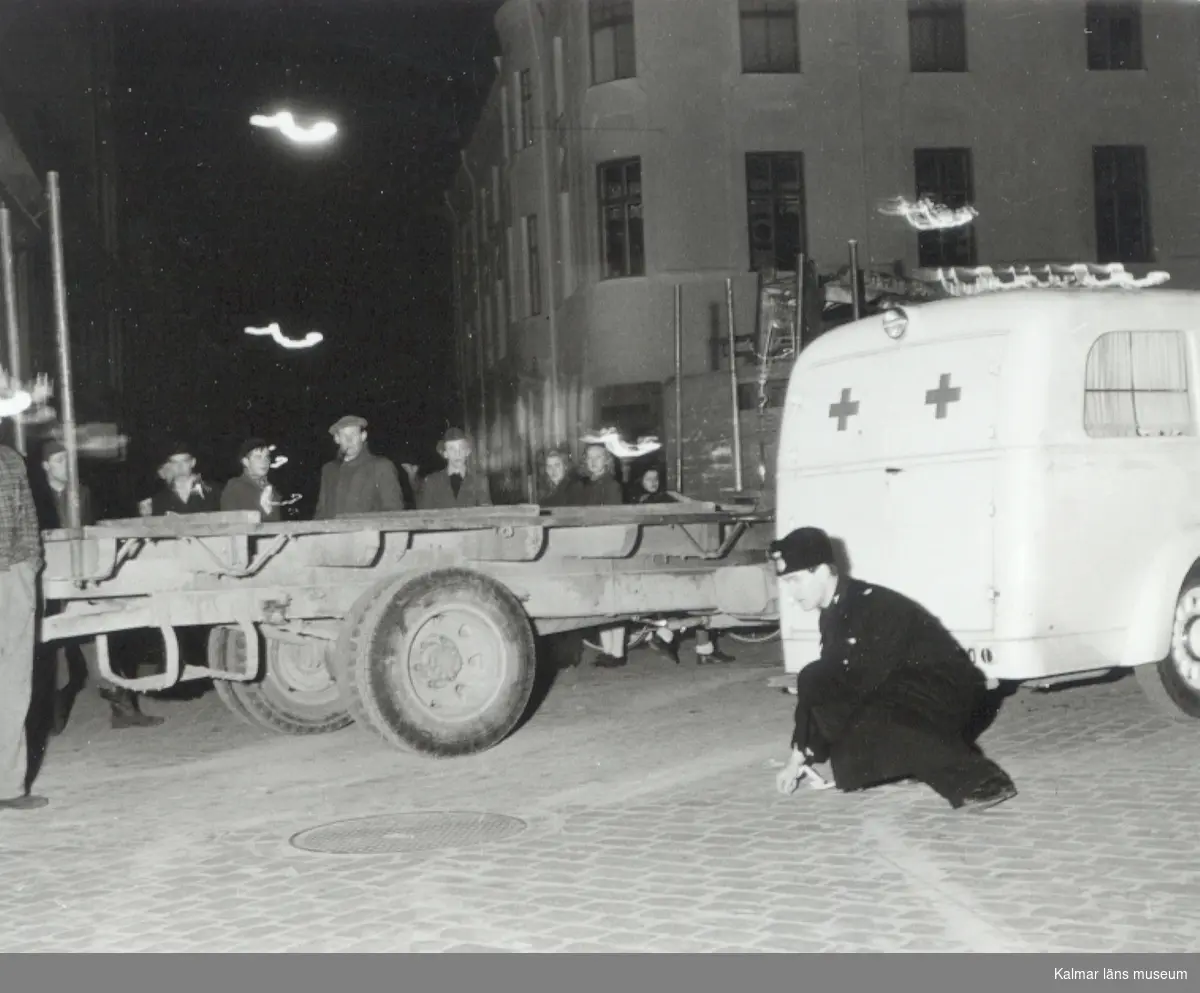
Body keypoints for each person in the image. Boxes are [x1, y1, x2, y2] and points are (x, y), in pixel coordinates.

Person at [770, 526, 1017, 813]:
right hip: (913, 687)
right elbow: (829, 683)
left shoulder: (869, 606)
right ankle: (904, 764)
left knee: (875, 712)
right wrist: (797, 759)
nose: (791, 594)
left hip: (952, 693)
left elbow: (861, 683)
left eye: (795, 581)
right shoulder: (837, 609)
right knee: (822, 682)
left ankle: (982, 781)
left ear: (823, 571)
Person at [33, 441, 163, 732]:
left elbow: (89, 531)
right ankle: (49, 721)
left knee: (96, 645)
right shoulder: (36, 497)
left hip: (80, 580)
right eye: (58, 461)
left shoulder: (81, 494)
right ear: (45, 466)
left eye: (68, 460)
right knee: (53, 656)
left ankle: (122, 711)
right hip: (49, 582)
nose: (66, 466)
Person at [633, 465, 736, 666]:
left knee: (697, 602)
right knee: (699, 601)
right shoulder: (651, 500)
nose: (653, 483)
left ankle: (677, 641)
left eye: (656, 478)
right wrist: (678, 498)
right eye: (648, 479)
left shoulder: (655, 497)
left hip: (672, 553)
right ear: (640, 481)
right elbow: (694, 507)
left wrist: (676, 496)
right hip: (673, 554)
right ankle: (687, 644)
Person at [0, 441, 47, 810]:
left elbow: (28, 517)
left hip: (13, 576)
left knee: (14, 683)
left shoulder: (10, 458)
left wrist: (29, 564)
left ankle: (8, 787)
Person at [314, 415, 408, 518]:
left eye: (353, 434)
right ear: (337, 439)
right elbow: (321, 512)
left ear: (363, 436)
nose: (349, 440)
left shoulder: (381, 466)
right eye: (344, 435)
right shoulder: (329, 470)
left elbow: (394, 511)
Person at [418, 427, 492, 509]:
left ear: (467, 451)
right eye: (451, 449)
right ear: (445, 454)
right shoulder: (432, 482)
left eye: (461, 448)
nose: (457, 453)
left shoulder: (480, 481)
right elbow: (425, 517)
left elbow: (486, 516)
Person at [151, 440, 222, 515]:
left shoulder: (212, 491)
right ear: (169, 465)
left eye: (184, 461)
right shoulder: (161, 498)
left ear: (193, 462)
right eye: (174, 462)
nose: (180, 466)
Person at [220, 437, 282, 522]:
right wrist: (265, 511)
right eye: (258, 457)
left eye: (267, 457)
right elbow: (230, 524)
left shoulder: (271, 489)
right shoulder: (235, 487)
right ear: (246, 461)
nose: (264, 462)